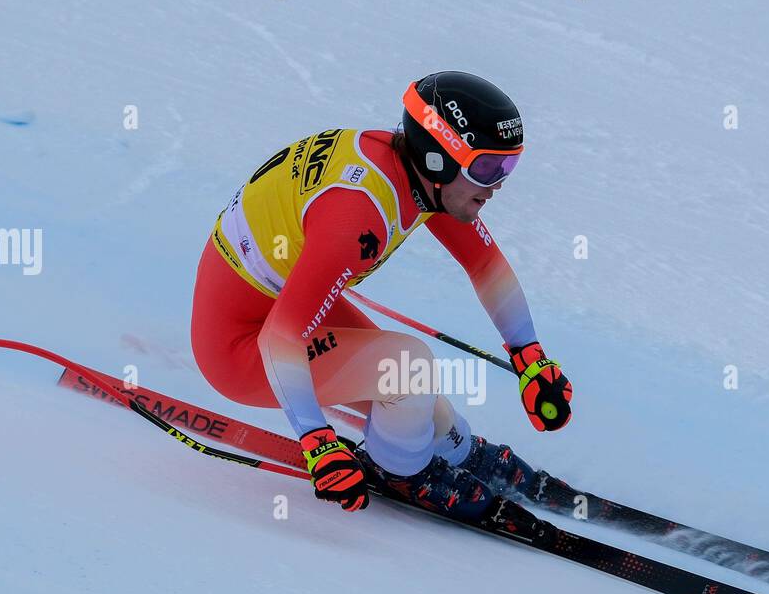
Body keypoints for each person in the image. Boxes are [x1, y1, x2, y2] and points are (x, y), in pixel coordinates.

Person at [190, 71, 573, 518]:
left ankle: (459, 448)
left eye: (509, 166)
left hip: (277, 298)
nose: (499, 184)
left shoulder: (422, 179)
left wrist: (529, 355)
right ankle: (402, 471)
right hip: (241, 344)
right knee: (408, 371)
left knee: (416, 396)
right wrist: (317, 441)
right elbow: (280, 337)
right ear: (438, 158)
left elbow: (485, 264)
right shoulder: (360, 212)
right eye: (488, 167)